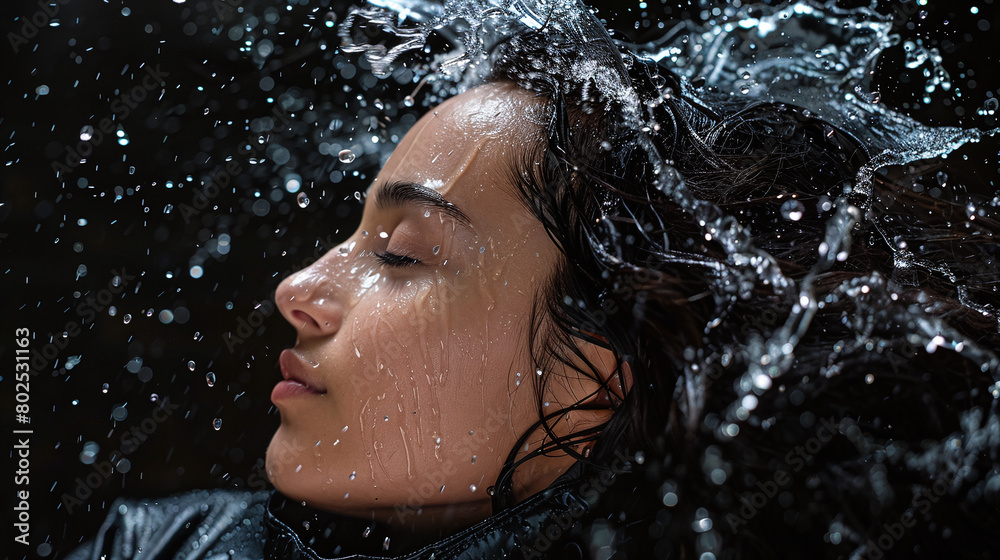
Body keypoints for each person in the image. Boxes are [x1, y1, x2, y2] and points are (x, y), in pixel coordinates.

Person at [66, 3, 1000, 559]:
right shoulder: (146, 548)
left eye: (400, 254)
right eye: (354, 236)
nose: (300, 288)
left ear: (596, 378)